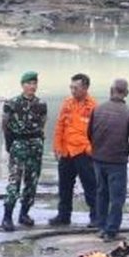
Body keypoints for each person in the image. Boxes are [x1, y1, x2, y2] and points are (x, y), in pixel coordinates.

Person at [88, 78, 129, 241]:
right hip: (117, 162)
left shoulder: (97, 109)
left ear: (111, 90)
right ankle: (111, 230)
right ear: (126, 93)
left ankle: (101, 227)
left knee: (101, 193)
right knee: (117, 197)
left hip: (98, 159)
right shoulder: (128, 112)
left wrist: (97, 149)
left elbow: (89, 133)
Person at [49, 73, 99, 228]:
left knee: (90, 186)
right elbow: (59, 126)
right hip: (66, 152)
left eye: (75, 88)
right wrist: (57, 147)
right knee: (64, 186)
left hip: (83, 152)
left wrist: (90, 149)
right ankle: (63, 216)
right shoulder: (67, 103)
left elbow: (98, 132)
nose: (72, 91)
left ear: (85, 88)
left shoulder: (93, 106)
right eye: (71, 87)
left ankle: (96, 217)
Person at [1, 71, 47, 231]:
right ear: (23, 85)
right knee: (15, 181)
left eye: (34, 83)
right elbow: (5, 125)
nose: (32, 86)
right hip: (19, 144)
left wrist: (39, 141)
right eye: (29, 83)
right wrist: (9, 144)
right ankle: (7, 216)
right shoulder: (12, 103)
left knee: (32, 181)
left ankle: (24, 213)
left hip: (35, 145)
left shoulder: (41, 104)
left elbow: (42, 124)